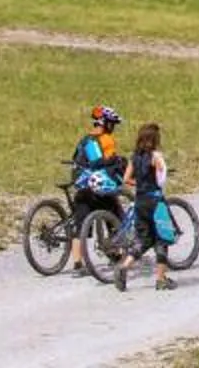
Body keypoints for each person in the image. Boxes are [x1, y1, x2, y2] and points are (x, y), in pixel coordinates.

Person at [64, 105, 125, 275]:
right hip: (96, 186)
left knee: (80, 223)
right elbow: (103, 164)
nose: (113, 128)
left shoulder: (85, 140)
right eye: (112, 124)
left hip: (82, 187)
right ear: (105, 124)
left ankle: (77, 264)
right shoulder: (102, 140)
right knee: (115, 215)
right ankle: (115, 255)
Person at [121, 121, 177, 292]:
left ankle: (124, 266)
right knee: (162, 238)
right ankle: (161, 279)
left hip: (140, 201)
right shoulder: (155, 156)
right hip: (155, 201)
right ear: (154, 140)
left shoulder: (134, 157)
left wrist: (139, 182)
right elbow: (161, 178)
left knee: (144, 239)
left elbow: (126, 180)